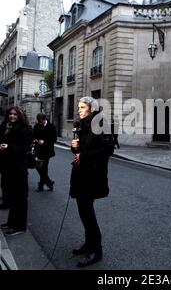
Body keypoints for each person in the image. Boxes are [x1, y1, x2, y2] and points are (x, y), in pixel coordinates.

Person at [70, 97, 114, 268]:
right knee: (83, 212)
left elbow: (107, 150)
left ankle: (96, 250)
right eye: (79, 107)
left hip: (93, 176)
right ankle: (89, 244)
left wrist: (83, 156)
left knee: (88, 214)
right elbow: (80, 148)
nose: (79, 110)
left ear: (92, 108)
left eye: (82, 107)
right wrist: (75, 147)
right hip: (81, 174)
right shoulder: (82, 124)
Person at [0, 107, 30, 236]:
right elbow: (1, 142)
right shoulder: (8, 126)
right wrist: (0, 146)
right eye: (10, 114)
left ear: (20, 116)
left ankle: (20, 226)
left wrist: (9, 146)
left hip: (19, 168)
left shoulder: (24, 129)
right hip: (9, 167)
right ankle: (11, 222)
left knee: (20, 198)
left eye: (15, 114)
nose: (12, 116)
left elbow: (23, 149)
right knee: (13, 197)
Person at [33, 113, 57, 192]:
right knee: (37, 166)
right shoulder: (36, 126)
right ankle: (49, 182)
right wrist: (36, 140)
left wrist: (44, 142)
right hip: (38, 150)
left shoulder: (51, 127)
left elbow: (54, 139)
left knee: (44, 168)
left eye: (41, 122)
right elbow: (33, 136)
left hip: (47, 151)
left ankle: (41, 186)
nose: (40, 123)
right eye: (39, 122)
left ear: (44, 119)